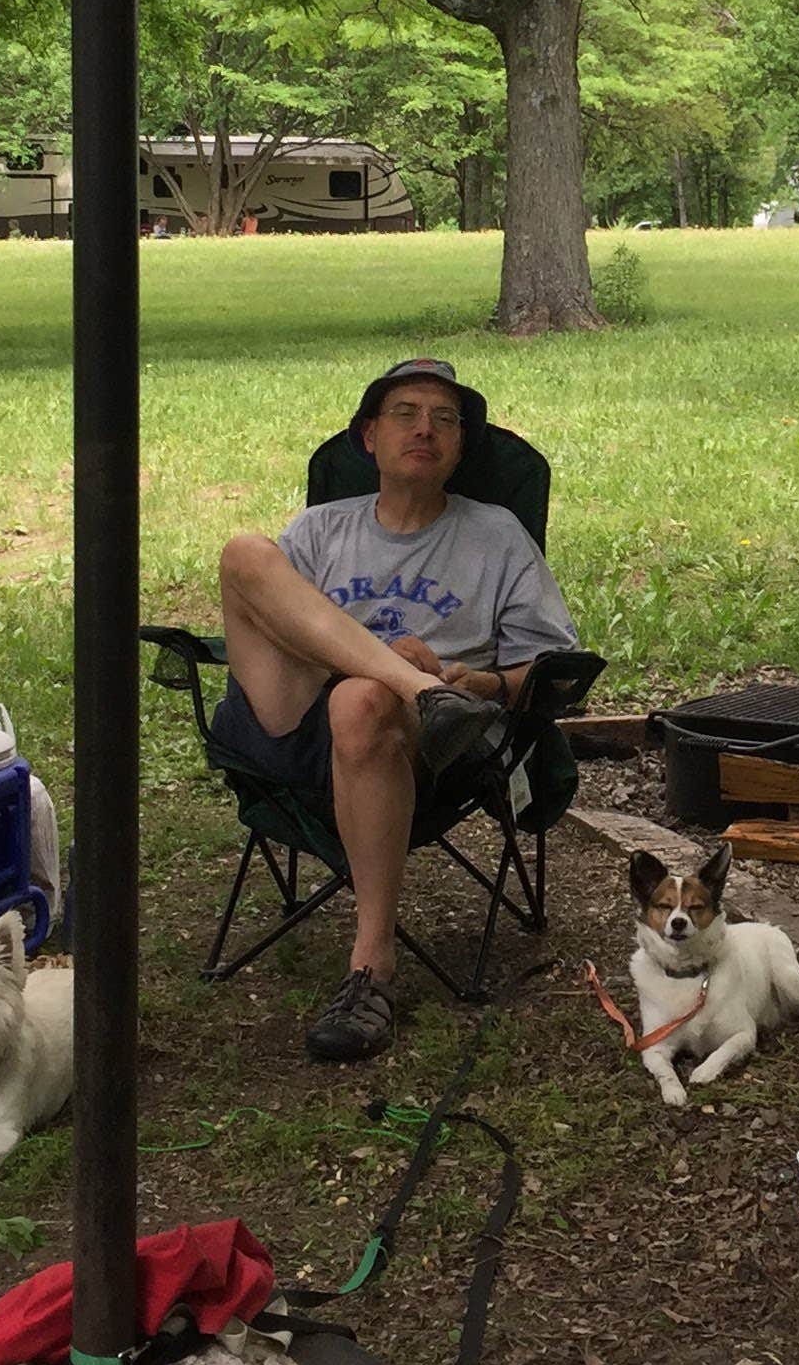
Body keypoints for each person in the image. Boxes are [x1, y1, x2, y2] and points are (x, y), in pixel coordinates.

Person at [209, 357, 577, 1063]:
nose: (425, 429)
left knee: (364, 697)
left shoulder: (498, 535)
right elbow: (275, 623)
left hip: (432, 739)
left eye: (445, 420)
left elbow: (550, 667)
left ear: (461, 448)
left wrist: (477, 684)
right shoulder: (320, 529)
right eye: (405, 414)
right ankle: (411, 685)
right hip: (298, 720)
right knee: (245, 553)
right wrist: (395, 667)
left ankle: (370, 967)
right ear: (368, 437)